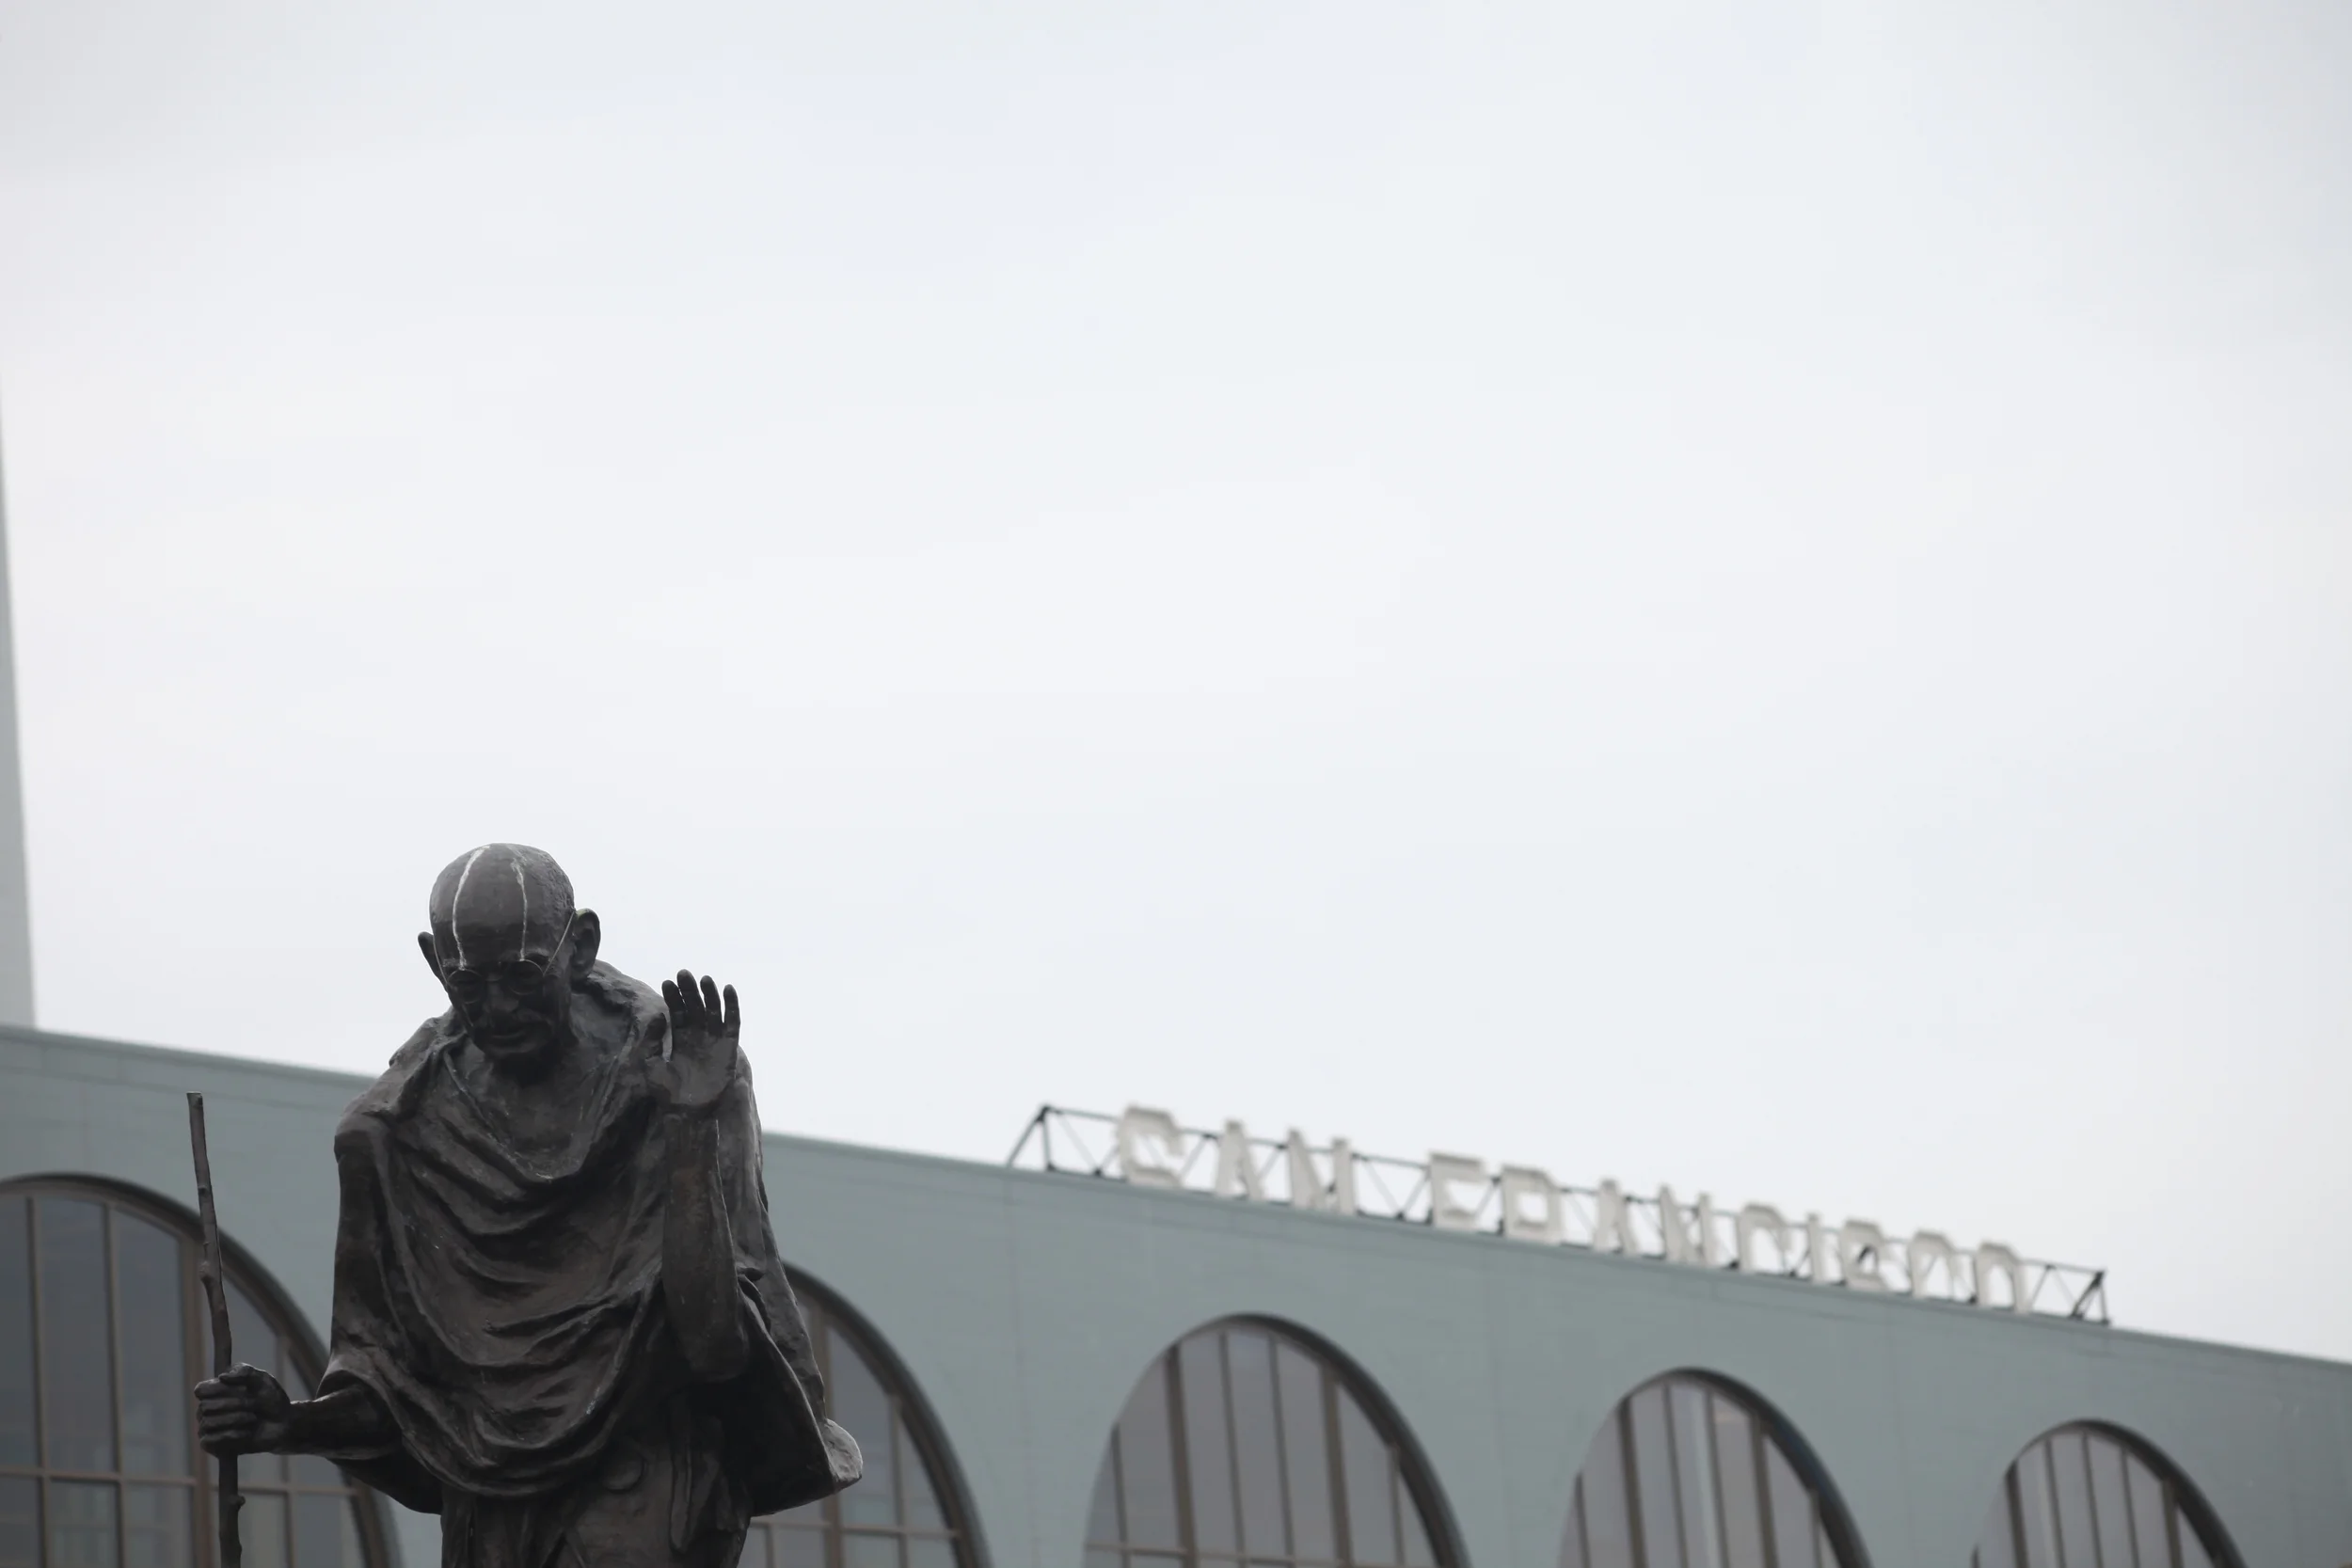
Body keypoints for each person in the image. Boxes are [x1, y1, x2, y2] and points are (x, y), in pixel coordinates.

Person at [195, 844, 861, 1568]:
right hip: (490, 1507)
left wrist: (692, 1125)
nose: (498, 1008)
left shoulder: (677, 1065)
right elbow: (399, 1388)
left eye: (521, 975)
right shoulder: (393, 1130)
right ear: (434, 964)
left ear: (580, 946)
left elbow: (714, 1344)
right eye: (469, 984)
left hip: (643, 1480)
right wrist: (291, 1424)